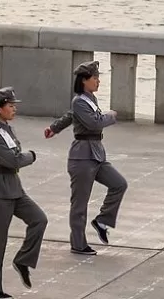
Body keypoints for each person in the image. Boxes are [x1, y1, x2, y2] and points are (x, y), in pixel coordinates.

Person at [44, 61, 127, 255]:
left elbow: (70, 116)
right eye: (95, 78)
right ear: (84, 80)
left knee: (119, 184)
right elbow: (92, 123)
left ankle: (103, 221)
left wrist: (54, 128)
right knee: (80, 204)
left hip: (96, 154)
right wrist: (111, 116)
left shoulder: (89, 100)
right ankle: (78, 244)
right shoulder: (80, 101)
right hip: (82, 157)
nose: (98, 81)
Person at [0, 87, 47, 299]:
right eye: (10, 105)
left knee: (39, 220)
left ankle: (23, 260)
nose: (14, 108)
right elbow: (13, 160)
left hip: (14, 189)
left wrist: (21, 156)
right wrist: (32, 156)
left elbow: (15, 155)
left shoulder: (7, 130)